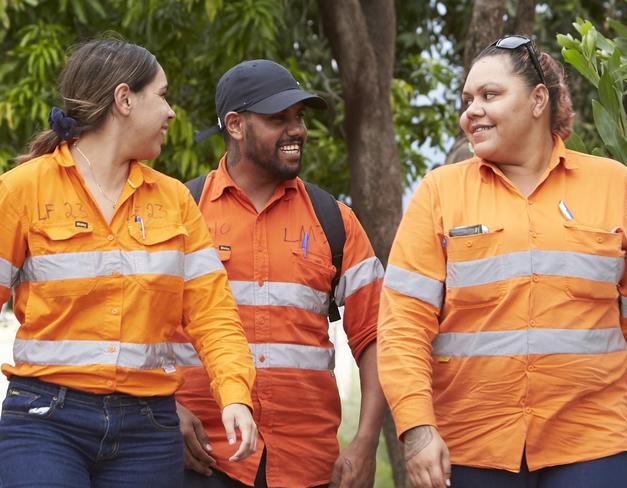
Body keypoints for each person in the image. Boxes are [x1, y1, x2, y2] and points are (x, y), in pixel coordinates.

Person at [378, 35, 627, 488]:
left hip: (592, 448)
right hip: (470, 449)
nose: (471, 111)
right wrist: (418, 430)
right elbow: (403, 324)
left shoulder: (614, 186)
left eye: (490, 95)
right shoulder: (440, 193)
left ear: (538, 99)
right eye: (467, 100)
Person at [0, 38, 257, 488]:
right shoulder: (22, 190)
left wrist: (235, 395)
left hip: (149, 431)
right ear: (124, 99)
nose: (171, 112)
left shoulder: (175, 200)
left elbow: (213, 313)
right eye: (162, 95)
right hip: (44, 423)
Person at [173, 59, 386, 488]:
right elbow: (136, 324)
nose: (297, 131)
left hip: (307, 465)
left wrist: (365, 441)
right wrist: (164, 413)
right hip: (202, 459)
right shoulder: (180, 212)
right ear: (234, 125)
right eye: (277, 119)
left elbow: (379, 336)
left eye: (299, 118)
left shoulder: (334, 220)